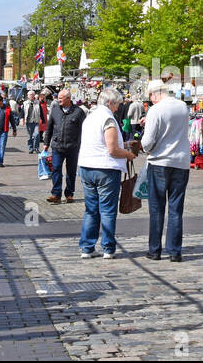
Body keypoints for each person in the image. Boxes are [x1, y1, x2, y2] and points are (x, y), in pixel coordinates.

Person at [77, 88, 138, 259]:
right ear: (110, 102)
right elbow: (111, 149)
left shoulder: (90, 117)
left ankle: (87, 247)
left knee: (91, 210)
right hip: (105, 169)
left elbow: (101, 143)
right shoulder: (108, 119)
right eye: (117, 104)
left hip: (87, 166)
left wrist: (125, 144)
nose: (118, 108)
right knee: (107, 210)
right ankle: (108, 248)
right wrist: (128, 154)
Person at [139, 81, 190, 262]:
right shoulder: (183, 107)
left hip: (160, 162)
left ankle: (155, 250)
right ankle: (175, 251)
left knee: (157, 208)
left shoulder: (156, 110)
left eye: (150, 97)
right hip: (181, 161)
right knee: (176, 209)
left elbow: (147, 142)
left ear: (154, 94)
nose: (150, 100)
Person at [44, 89, 85, 204]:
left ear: (68, 98)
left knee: (71, 172)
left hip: (73, 146)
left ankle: (69, 194)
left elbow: (84, 129)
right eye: (58, 98)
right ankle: (56, 194)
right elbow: (49, 128)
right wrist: (46, 143)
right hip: (57, 146)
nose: (58, 100)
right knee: (56, 169)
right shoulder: (55, 110)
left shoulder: (78, 112)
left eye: (61, 98)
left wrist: (83, 145)